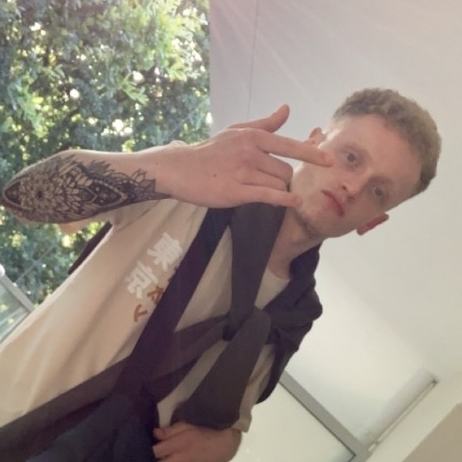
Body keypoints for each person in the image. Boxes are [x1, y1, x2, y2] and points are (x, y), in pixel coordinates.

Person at [0, 88, 441, 462]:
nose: (353, 186)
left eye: (378, 191)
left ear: (373, 222)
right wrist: (168, 167)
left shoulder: (294, 315)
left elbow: (230, 414)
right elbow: (24, 198)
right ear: (314, 140)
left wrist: (226, 444)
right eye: (350, 157)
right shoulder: (191, 183)